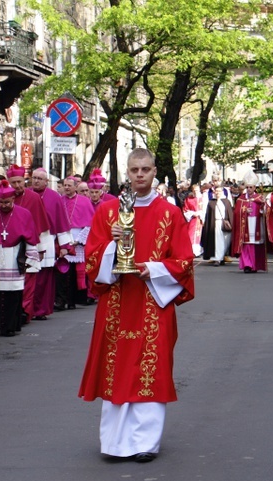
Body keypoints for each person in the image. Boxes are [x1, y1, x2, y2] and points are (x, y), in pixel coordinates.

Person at [79, 148, 194, 462]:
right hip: (117, 301)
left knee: (150, 370)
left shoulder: (170, 213)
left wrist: (153, 270)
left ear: (155, 171)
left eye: (145, 169)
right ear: (126, 173)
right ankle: (115, 444)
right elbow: (91, 257)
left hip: (153, 302)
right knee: (116, 368)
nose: (140, 175)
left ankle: (145, 443)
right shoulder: (108, 212)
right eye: (134, 170)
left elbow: (184, 261)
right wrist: (113, 245)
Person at [0, 180, 40, 336]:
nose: (4, 205)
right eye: (1, 202)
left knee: (12, 293)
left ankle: (11, 325)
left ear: (13, 199)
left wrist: (30, 259)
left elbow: (30, 238)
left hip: (14, 256)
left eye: (7, 202)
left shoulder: (24, 213)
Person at [7, 165, 51, 322]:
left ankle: (25, 312)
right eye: (13, 183)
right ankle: (12, 312)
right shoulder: (4, 197)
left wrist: (41, 249)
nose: (17, 186)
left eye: (19, 182)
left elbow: (41, 224)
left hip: (30, 245)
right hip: (8, 247)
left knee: (29, 280)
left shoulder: (33, 198)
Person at [29, 168, 72, 320]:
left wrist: (65, 247)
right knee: (29, 277)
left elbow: (60, 222)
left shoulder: (54, 197)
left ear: (46, 182)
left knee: (44, 279)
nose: (36, 181)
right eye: (34, 178)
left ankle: (41, 310)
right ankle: (28, 309)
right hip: (28, 240)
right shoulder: (26, 194)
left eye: (40, 179)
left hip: (47, 239)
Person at [56, 176, 95, 309]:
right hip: (63, 239)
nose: (66, 188)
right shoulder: (59, 201)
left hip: (78, 239)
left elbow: (90, 224)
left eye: (69, 185)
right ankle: (61, 300)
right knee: (62, 271)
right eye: (65, 185)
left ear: (75, 186)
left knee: (74, 272)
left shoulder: (84, 201)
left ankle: (73, 300)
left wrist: (79, 240)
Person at [231, 172, 267, 273]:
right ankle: (247, 265)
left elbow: (265, 213)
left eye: (251, 187)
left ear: (255, 187)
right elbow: (236, 212)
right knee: (246, 245)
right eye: (248, 187)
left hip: (256, 225)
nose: (249, 189)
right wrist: (244, 211)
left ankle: (255, 265)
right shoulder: (241, 199)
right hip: (245, 225)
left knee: (255, 245)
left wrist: (263, 207)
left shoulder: (259, 198)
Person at [201, 186, 234, 266]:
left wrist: (231, 223)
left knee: (225, 241)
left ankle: (221, 257)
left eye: (219, 191)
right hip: (215, 224)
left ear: (222, 192)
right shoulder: (211, 202)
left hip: (225, 224)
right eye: (216, 191)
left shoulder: (226, 202)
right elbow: (208, 215)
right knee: (218, 242)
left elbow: (230, 213)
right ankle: (217, 259)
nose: (217, 193)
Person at [182, 184, 204, 257]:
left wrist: (201, 214)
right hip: (193, 220)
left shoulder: (203, 198)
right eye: (194, 190)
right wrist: (192, 213)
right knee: (191, 235)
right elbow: (185, 210)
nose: (195, 191)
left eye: (197, 190)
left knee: (201, 235)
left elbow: (206, 209)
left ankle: (199, 251)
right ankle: (192, 251)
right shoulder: (189, 199)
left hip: (201, 219)